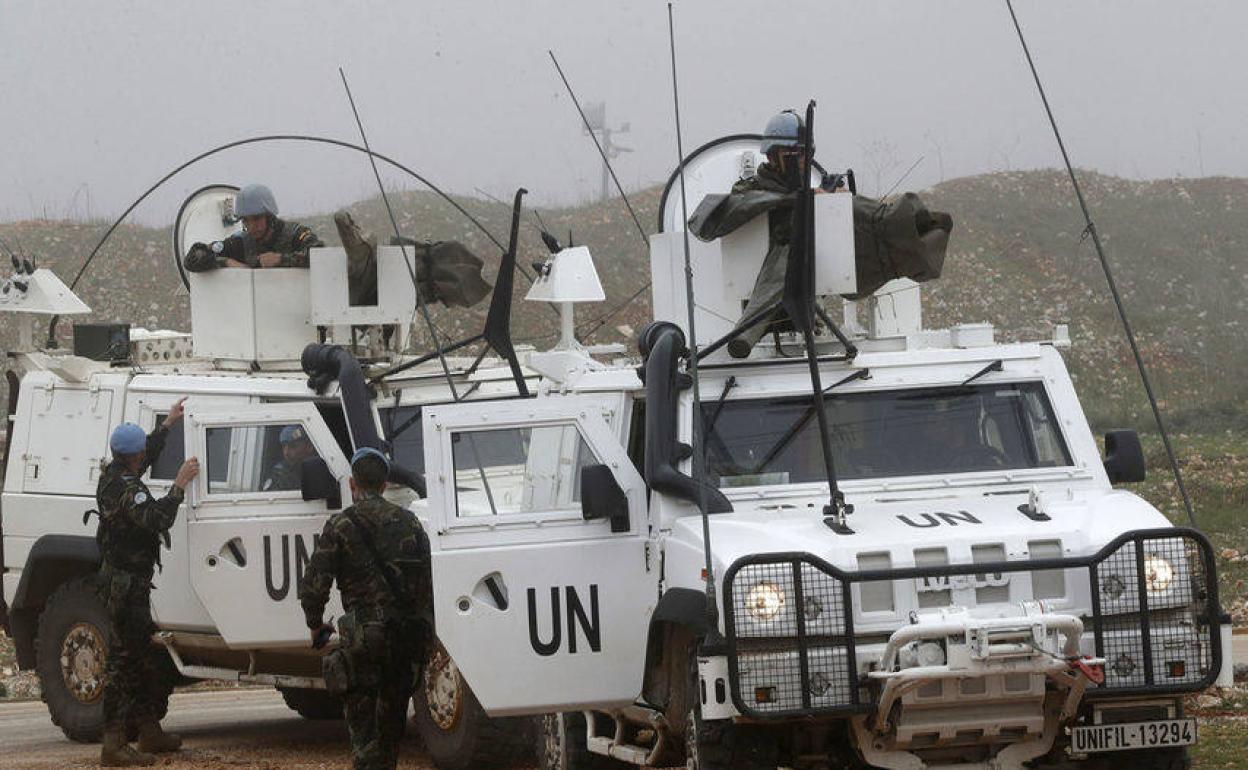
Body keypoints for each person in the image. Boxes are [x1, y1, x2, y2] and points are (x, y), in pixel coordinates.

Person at [298, 447, 432, 770]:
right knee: (390, 734)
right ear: (385, 484)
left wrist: (316, 626)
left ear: (352, 483)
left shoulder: (341, 525)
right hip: (404, 641)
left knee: (364, 738)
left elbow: (314, 587)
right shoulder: (410, 522)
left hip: (363, 643)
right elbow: (429, 581)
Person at [95, 399, 199, 767]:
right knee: (123, 664)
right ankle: (114, 743)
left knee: (142, 658)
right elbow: (156, 519)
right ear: (133, 456)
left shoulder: (114, 475)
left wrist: (168, 425)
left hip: (125, 583)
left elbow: (145, 453)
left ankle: (148, 730)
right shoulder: (128, 490)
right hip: (126, 588)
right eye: (142, 452)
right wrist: (179, 486)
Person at [183, 184, 323, 272]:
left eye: (256, 218)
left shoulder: (294, 234)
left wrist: (282, 259)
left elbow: (320, 254)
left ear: (269, 216)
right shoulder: (241, 242)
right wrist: (226, 262)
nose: (251, 227)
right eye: (245, 221)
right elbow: (193, 258)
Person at [261, 425, 318, 492]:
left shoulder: (319, 470)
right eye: (283, 446)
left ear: (309, 447)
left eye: (293, 446)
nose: (286, 452)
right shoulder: (278, 475)